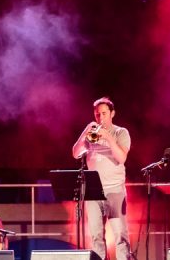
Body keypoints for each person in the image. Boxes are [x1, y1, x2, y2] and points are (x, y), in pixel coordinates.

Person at [72, 97, 132, 260]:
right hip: (93, 192)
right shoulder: (91, 134)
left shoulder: (121, 132)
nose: (101, 118)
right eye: (98, 114)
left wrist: (108, 137)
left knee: (120, 235)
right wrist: (85, 131)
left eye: (104, 113)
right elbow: (76, 153)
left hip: (115, 190)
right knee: (96, 236)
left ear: (112, 113)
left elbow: (121, 158)